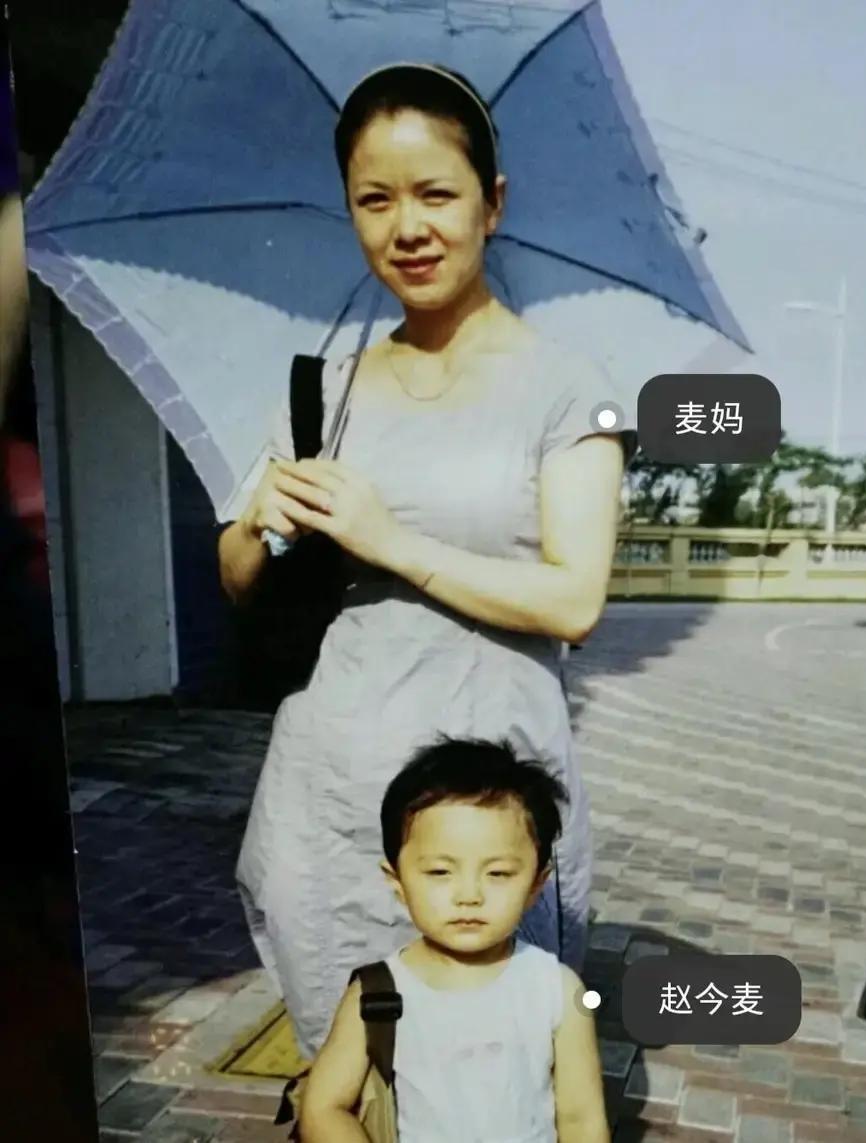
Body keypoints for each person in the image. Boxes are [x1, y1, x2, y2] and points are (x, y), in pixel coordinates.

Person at [217, 62, 627, 1058]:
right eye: (375, 200)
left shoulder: (567, 388)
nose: (408, 227)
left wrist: (390, 539)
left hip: (483, 805)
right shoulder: (323, 387)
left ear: (493, 203)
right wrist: (257, 524)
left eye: (436, 194)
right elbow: (237, 580)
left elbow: (574, 601)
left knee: (491, 1070)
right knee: (352, 1064)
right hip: (328, 791)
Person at [299, 737, 609, 1143]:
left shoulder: (557, 990)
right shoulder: (378, 994)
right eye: (440, 872)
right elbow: (324, 1108)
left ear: (537, 884)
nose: (469, 895)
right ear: (397, 880)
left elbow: (582, 1119)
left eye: (498, 873)